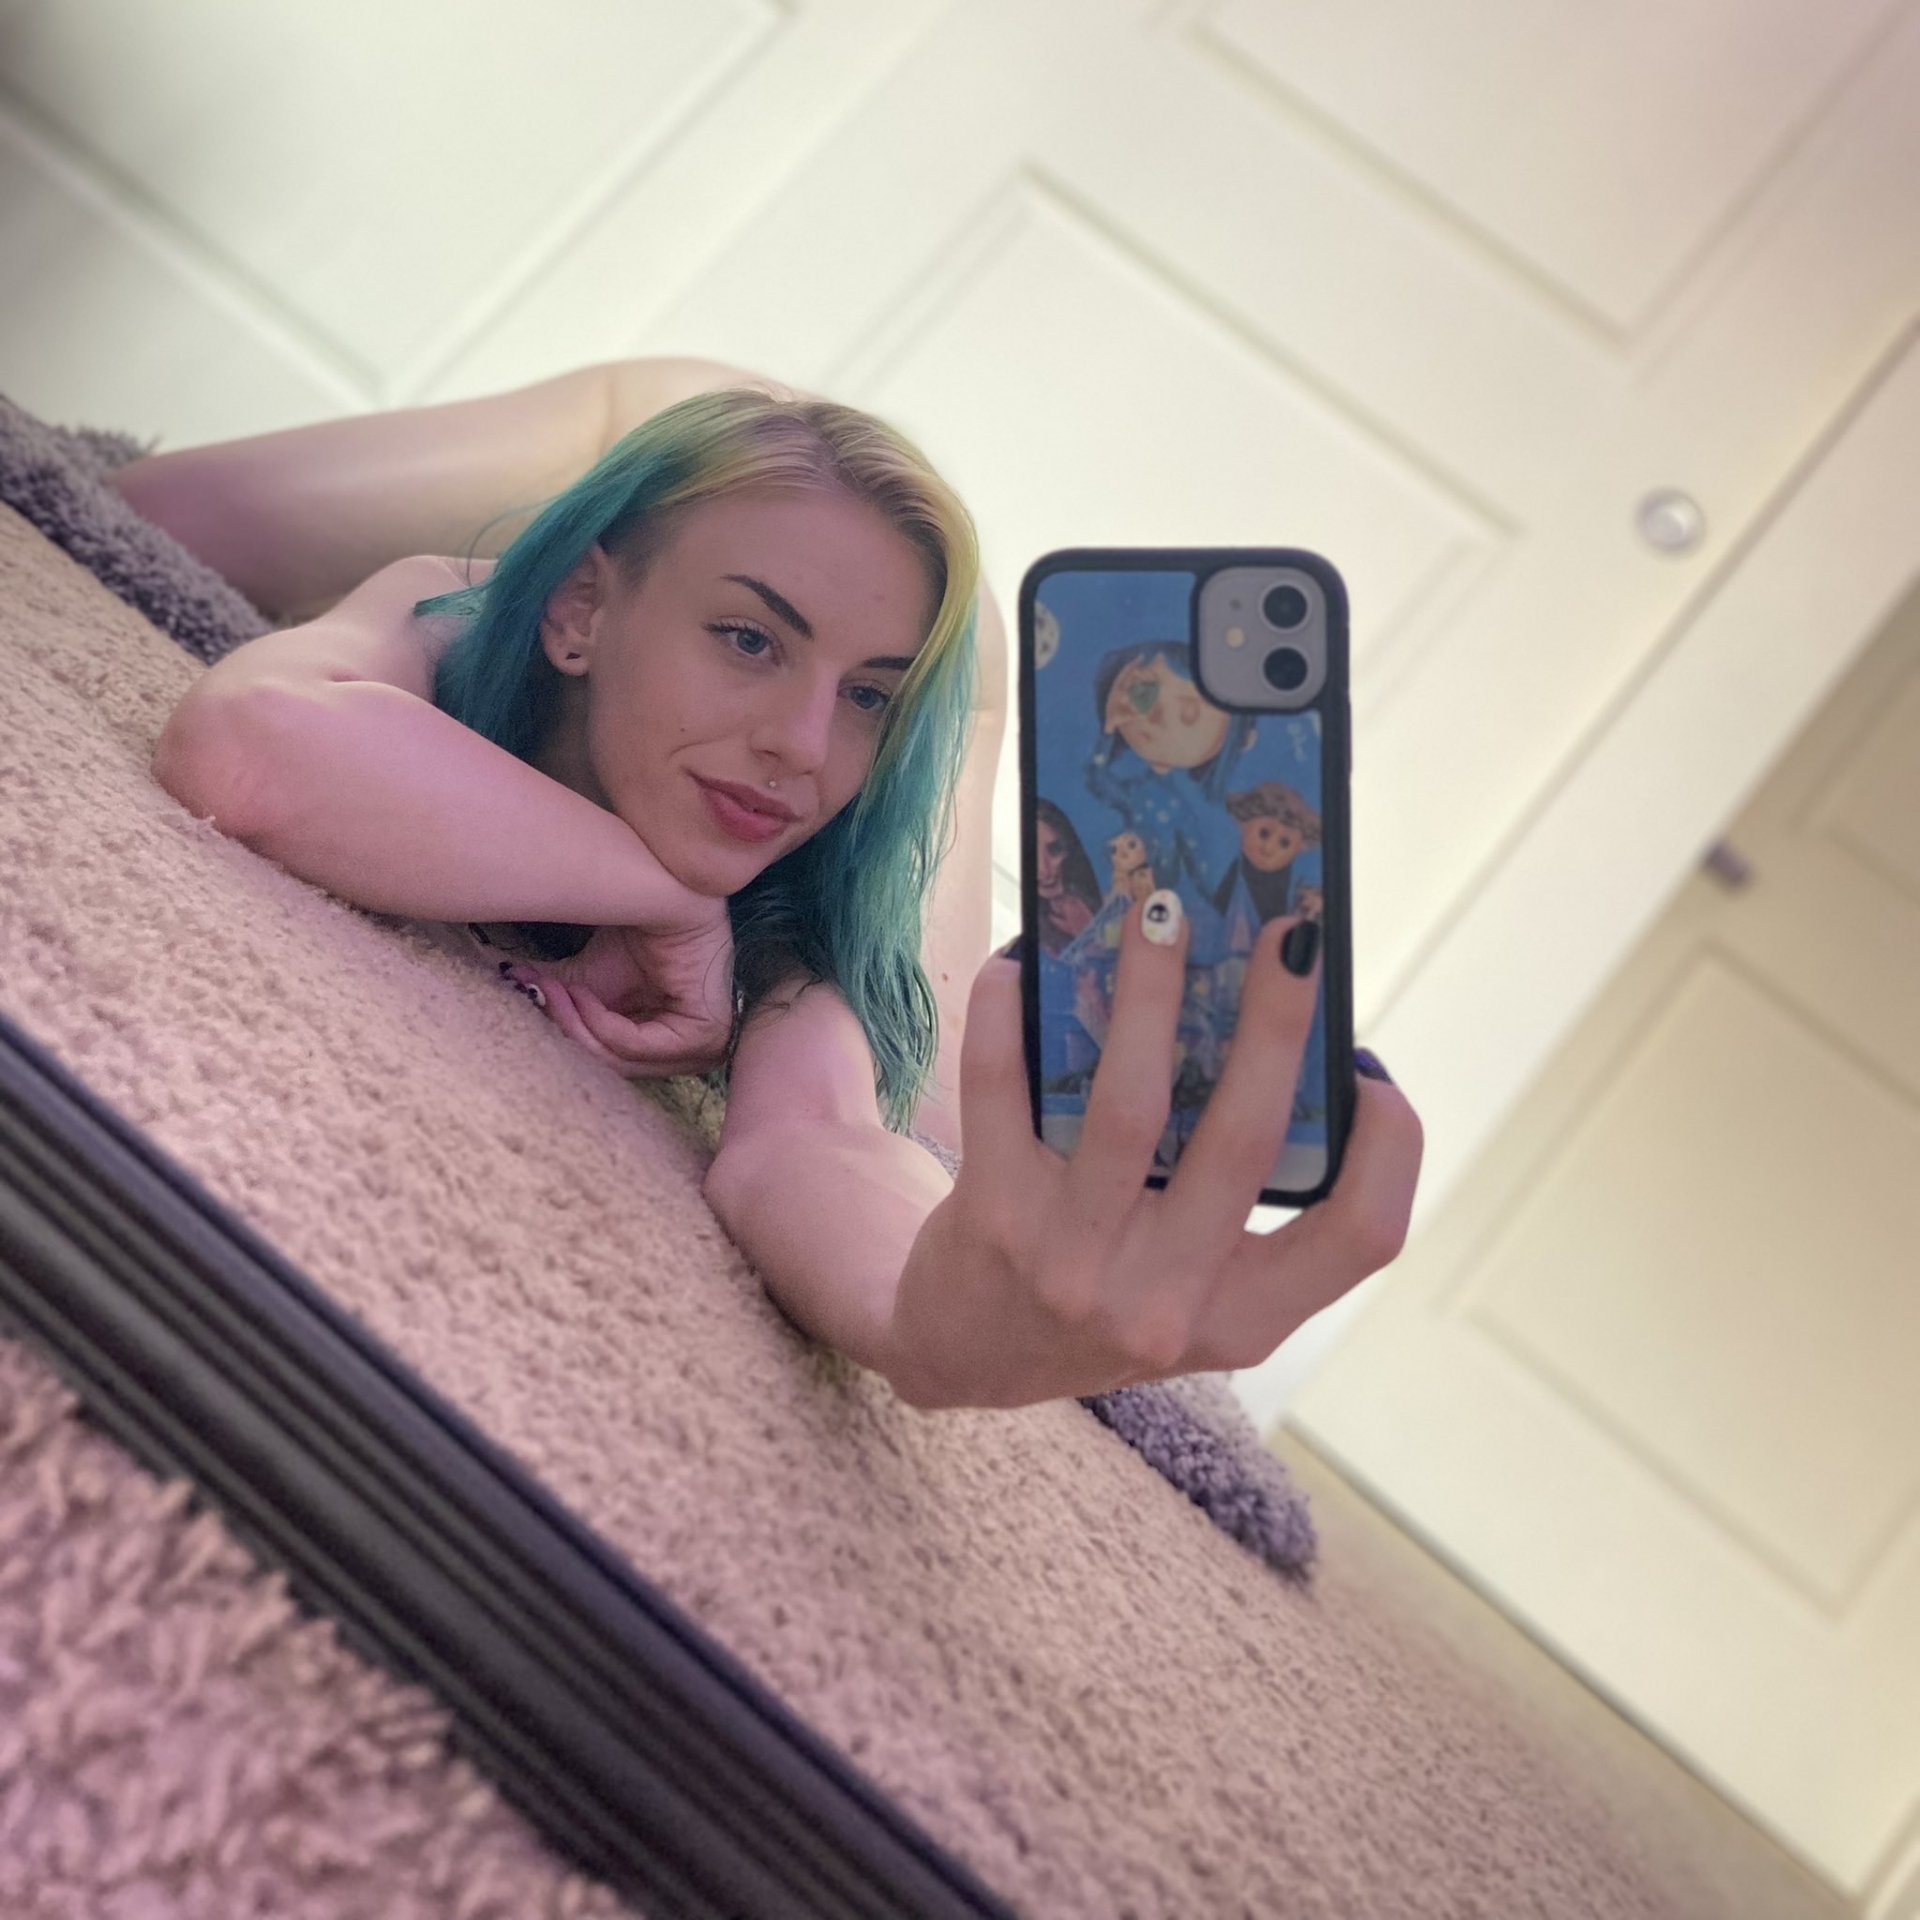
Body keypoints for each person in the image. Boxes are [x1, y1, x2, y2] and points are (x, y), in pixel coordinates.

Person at [123, 357, 1423, 1412]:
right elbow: (245, 745)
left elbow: (823, 1138)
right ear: (578, 613)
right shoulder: (446, 614)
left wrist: (926, 1322)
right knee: (153, 514)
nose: (803, 749)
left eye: (866, 698)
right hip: (666, 418)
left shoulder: (818, 889)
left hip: (945, 659)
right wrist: (666, 894)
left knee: (938, 1096)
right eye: (748, 640)